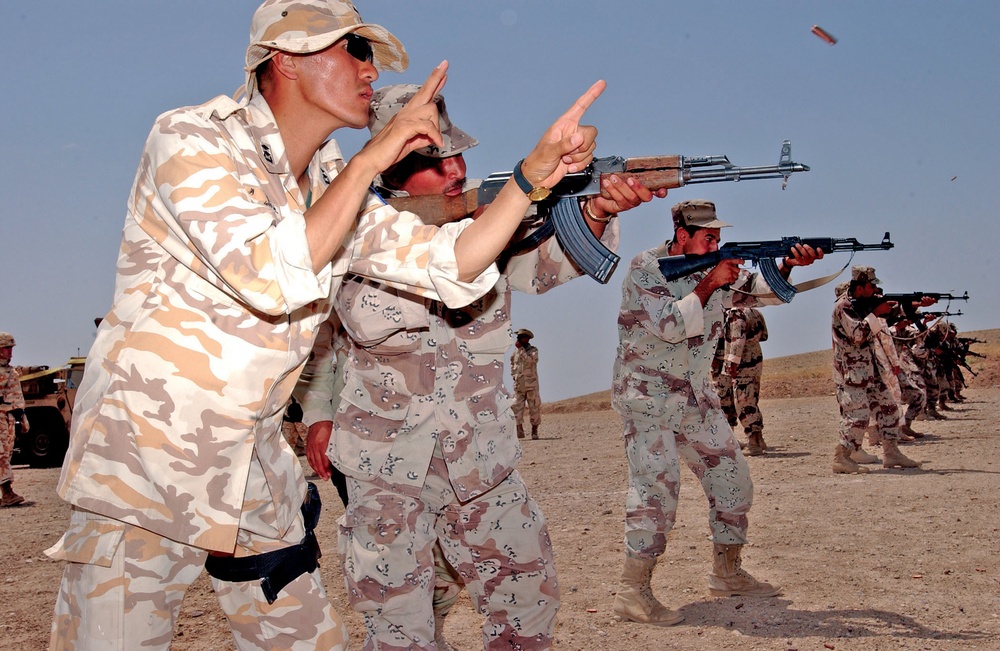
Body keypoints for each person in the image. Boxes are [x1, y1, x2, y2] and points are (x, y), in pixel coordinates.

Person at [44, 0, 608, 647]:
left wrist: (532, 180)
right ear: (286, 59)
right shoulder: (193, 140)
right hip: (149, 456)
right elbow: (266, 270)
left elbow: (450, 261)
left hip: (252, 462)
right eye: (354, 50)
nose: (371, 71)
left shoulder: (331, 180)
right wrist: (374, 160)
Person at [300, 82, 663, 650]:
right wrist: (318, 414)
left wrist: (593, 210)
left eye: (458, 153)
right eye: (434, 159)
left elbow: (544, 269)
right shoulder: (345, 227)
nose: (455, 168)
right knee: (399, 629)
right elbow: (319, 335)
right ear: (391, 163)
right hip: (387, 469)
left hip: (482, 461)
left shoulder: (492, 215)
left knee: (528, 608)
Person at [610, 199, 823, 626]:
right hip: (648, 400)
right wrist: (708, 283)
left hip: (694, 398)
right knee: (656, 494)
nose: (715, 243)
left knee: (734, 481)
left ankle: (727, 573)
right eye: (707, 236)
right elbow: (671, 325)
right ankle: (633, 594)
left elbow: (760, 293)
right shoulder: (646, 268)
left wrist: (789, 266)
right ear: (681, 235)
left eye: (718, 237)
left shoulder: (715, 266)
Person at [831, 266, 921, 474]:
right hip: (852, 372)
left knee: (889, 407)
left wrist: (910, 306)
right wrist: (875, 314)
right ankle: (842, 457)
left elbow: (885, 321)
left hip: (870, 369)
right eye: (872, 286)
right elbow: (858, 334)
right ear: (860, 287)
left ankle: (891, 453)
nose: (875, 289)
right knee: (857, 416)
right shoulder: (843, 306)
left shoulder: (861, 305)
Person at [716, 306, 769, 455]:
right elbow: (764, 335)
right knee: (751, 400)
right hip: (755, 359)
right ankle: (758, 439)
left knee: (744, 402)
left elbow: (737, 340)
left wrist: (732, 363)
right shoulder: (755, 312)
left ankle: (754, 442)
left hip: (741, 363)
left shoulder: (735, 313)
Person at [0, 332, 29, 508]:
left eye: (11, 348)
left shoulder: (11, 371)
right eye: (6, 348)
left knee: (7, 454)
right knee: (1, 455)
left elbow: (16, 398)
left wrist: (22, 417)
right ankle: (7, 492)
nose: (10, 352)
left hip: (10, 417)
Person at [511, 327, 542, 439]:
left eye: (521, 337)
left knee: (534, 408)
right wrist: (514, 376)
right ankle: (519, 430)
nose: (518, 339)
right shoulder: (515, 353)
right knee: (516, 407)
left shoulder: (533, 351)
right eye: (518, 337)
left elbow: (531, 361)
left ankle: (534, 430)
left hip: (531, 385)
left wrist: (522, 350)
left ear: (527, 339)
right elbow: (512, 364)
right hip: (519, 386)